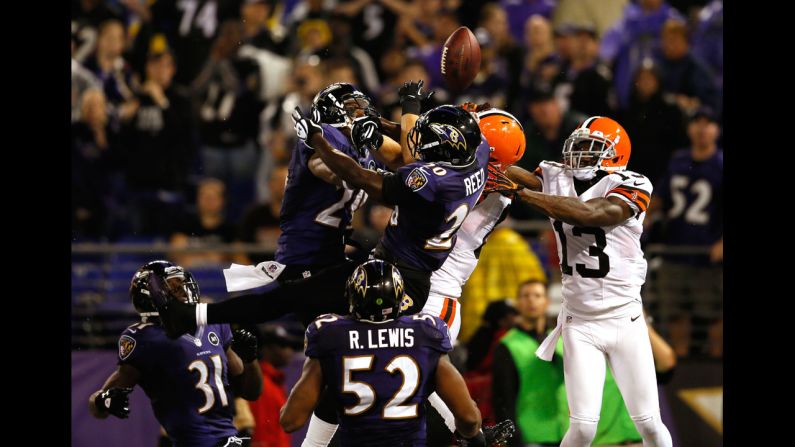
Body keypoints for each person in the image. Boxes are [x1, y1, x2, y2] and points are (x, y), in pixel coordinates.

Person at [490, 116, 673, 447]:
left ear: (615, 154)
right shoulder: (554, 176)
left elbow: (593, 214)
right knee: (583, 427)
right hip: (580, 321)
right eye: (580, 146)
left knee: (649, 422)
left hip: (625, 318)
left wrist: (523, 194)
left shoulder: (633, 183)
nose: (580, 154)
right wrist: (484, 155)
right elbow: (507, 172)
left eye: (591, 148)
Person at [279, 259, 515, 446]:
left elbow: (291, 421)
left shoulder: (330, 334)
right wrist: (476, 438)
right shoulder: (425, 332)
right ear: (401, 297)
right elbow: (469, 417)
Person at [88, 260, 263, 447]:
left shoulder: (213, 323)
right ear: (152, 297)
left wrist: (251, 359)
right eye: (174, 287)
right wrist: (103, 400)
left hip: (229, 439)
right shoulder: (144, 338)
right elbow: (99, 405)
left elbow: (251, 392)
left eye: (182, 284)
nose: (184, 292)